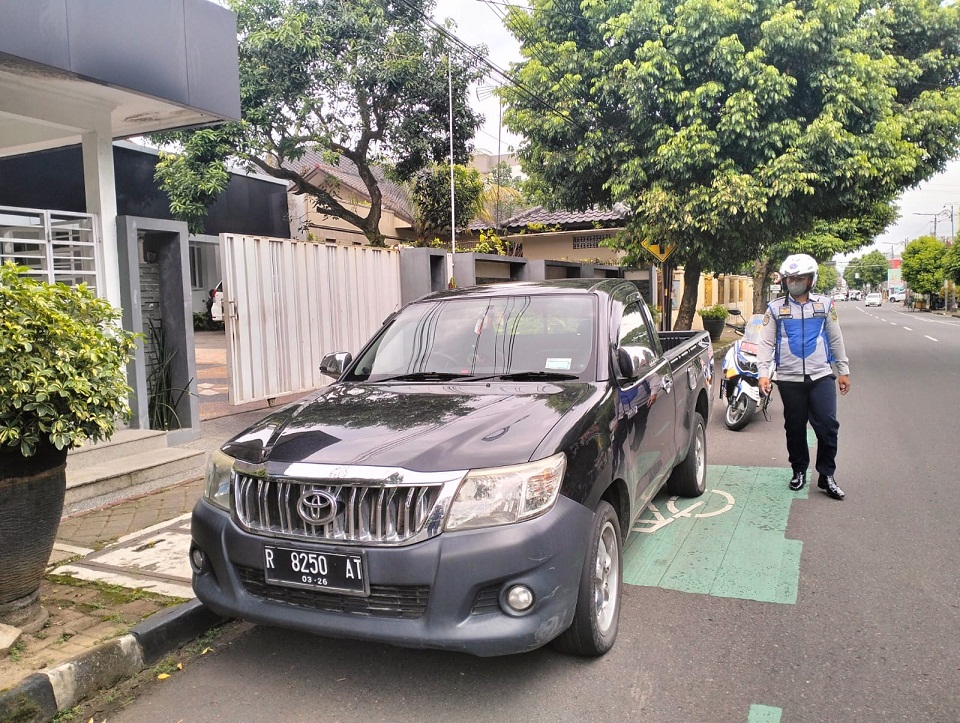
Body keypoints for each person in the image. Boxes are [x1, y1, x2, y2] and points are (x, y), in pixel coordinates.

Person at [758, 254, 851, 500]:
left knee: (828, 427)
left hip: (821, 375)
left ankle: (826, 475)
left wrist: (843, 371)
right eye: (791, 278)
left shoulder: (824, 305)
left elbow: (835, 338)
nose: (794, 282)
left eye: (800, 278)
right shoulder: (775, 308)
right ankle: (798, 470)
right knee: (795, 428)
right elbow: (766, 342)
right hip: (788, 379)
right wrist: (763, 373)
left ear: (811, 280)